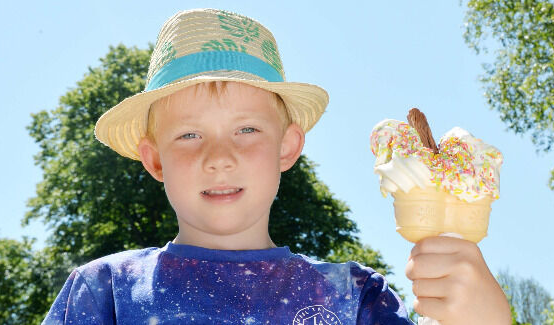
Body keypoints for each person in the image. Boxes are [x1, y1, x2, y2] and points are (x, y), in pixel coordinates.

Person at [42, 8, 510, 325]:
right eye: (189, 135)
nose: (219, 156)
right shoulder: (105, 292)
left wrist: (486, 319)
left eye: (247, 130)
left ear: (288, 148)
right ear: (154, 158)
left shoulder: (356, 298)